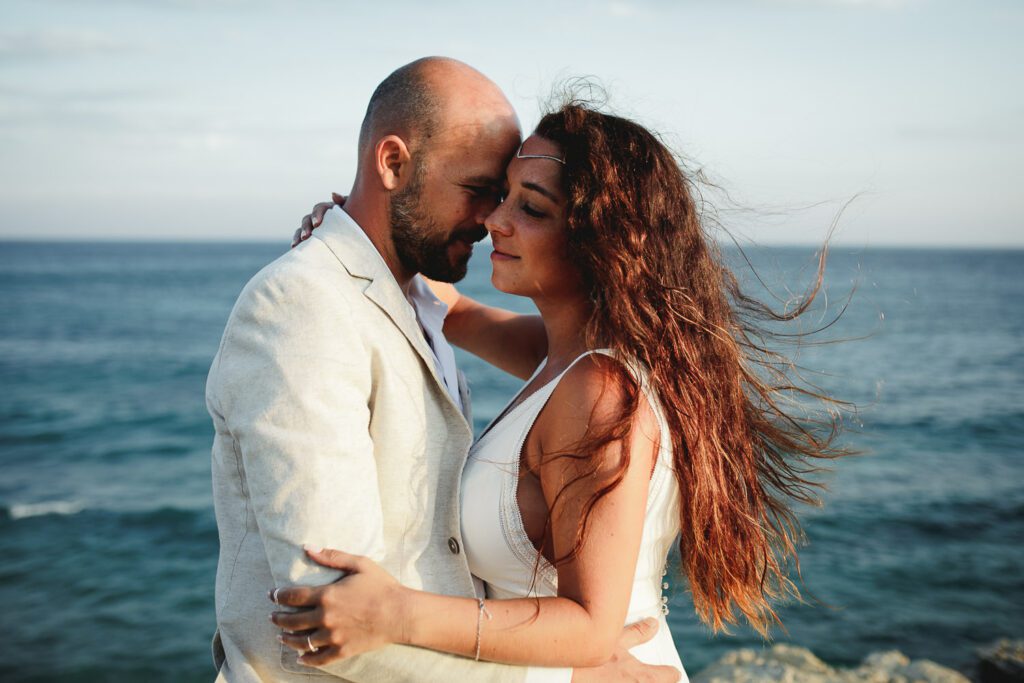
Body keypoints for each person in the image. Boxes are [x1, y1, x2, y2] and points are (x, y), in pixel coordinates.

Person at [278, 98, 848, 675]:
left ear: (601, 241)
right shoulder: (569, 357)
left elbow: (590, 626)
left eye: (532, 208)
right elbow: (449, 311)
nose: (493, 220)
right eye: (502, 195)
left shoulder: (599, 390)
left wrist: (396, 615)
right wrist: (356, 231)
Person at [206, 57, 677, 682]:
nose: (491, 220)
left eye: (519, 202)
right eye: (484, 190)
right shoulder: (307, 305)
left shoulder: (587, 371)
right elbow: (326, 605)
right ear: (393, 163)